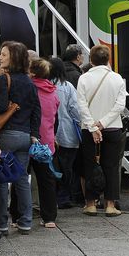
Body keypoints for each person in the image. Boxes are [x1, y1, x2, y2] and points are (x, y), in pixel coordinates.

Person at [0, 42, 41, 235]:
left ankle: (1, 224)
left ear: (13, 57)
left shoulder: (4, 79)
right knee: (21, 179)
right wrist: (34, 134)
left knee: (2, 180)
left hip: (7, 135)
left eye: (3, 54)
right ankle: (26, 222)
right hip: (26, 136)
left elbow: (1, 107)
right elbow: (37, 110)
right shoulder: (30, 81)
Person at [77, 45, 128, 217]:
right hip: (112, 127)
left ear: (91, 60)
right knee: (111, 166)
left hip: (88, 129)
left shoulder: (83, 79)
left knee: (90, 165)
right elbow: (120, 105)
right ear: (108, 59)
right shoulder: (117, 78)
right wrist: (103, 123)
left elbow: (81, 105)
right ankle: (110, 205)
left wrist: (93, 126)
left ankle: (90, 203)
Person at [49, 57, 83, 209]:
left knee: (52, 166)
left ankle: (52, 196)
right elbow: (75, 109)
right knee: (67, 167)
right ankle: (64, 197)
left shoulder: (46, 85)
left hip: (50, 133)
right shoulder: (67, 86)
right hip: (68, 133)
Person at [29, 58, 59, 228]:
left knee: (22, 177)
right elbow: (56, 118)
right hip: (46, 142)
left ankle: (18, 216)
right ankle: (49, 218)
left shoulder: (29, 89)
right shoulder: (53, 92)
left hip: (29, 138)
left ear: (32, 72)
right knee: (46, 180)